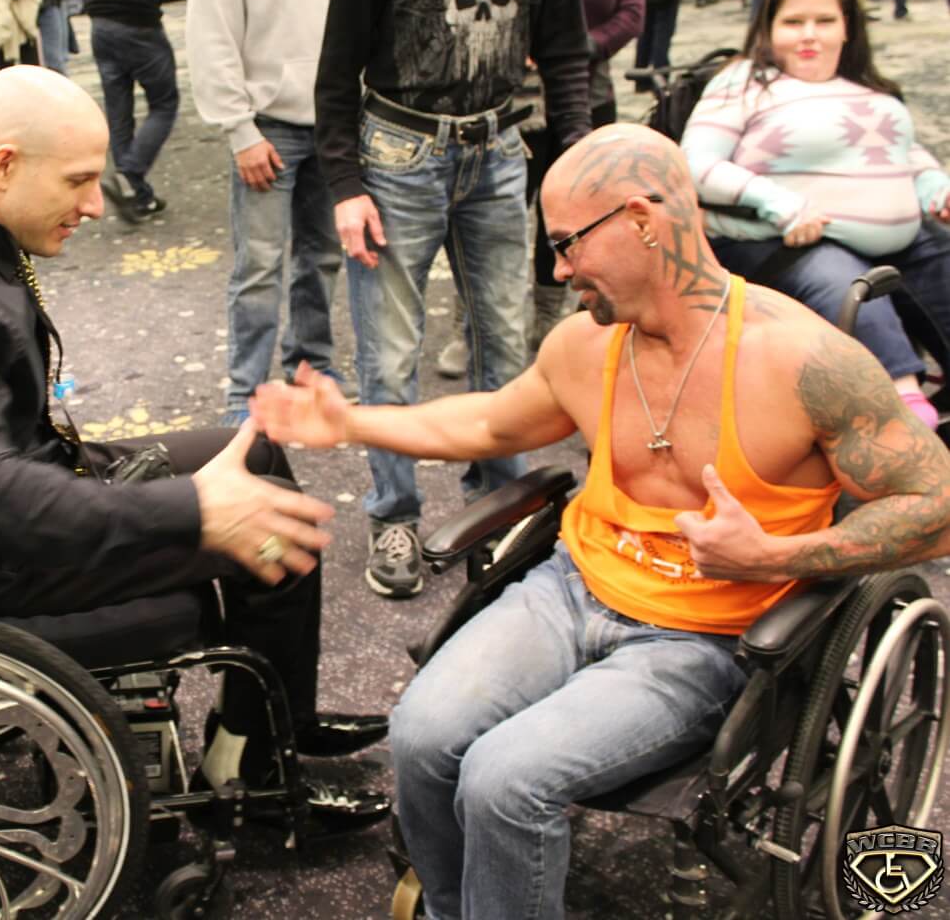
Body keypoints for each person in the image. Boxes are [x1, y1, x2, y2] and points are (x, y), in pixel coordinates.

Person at [250, 122, 950, 920]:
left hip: (701, 637)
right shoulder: (586, 345)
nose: (558, 269)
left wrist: (773, 556)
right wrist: (349, 422)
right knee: (420, 734)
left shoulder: (801, 360)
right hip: (571, 590)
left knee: (506, 780)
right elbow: (488, 423)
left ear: (641, 220)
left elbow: (936, 507)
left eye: (567, 244)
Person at [0, 65, 393, 820]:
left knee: (257, 458)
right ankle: (249, 773)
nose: (94, 204)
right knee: (275, 521)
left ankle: (278, 719)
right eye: (78, 181)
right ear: (5, 164)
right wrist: (194, 509)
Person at [314, 0, 591, 598]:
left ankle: (502, 509)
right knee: (390, 353)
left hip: (498, 148)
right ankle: (394, 517)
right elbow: (338, 58)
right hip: (397, 151)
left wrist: (582, 157)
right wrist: (345, 184)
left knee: (505, 345)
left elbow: (564, 46)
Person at [682, 0, 950, 431]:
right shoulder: (744, 82)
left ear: (848, 27)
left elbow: (904, 151)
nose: (809, 35)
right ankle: (904, 415)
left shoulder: (868, 87)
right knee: (850, 284)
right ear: (768, 28)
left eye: (825, 20)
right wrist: (779, 204)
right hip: (787, 238)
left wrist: (933, 184)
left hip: (901, 238)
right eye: (793, 21)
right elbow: (696, 163)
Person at [186, 0, 351, 428]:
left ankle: (310, 365)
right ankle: (247, 392)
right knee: (258, 267)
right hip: (266, 128)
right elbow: (211, 40)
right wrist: (240, 131)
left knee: (322, 257)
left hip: (335, 123)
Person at [524, 0, 644, 355]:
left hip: (589, 96)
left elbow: (632, 13)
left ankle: (554, 318)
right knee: (501, 215)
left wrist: (578, 46)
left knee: (575, 217)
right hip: (524, 103)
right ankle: (472, 320)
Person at [68, 0, 194, 223]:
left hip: (101, 25)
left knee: (119, 111)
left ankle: (138, 196)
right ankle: (129, 174)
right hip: (138, 23)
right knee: (164, 104)